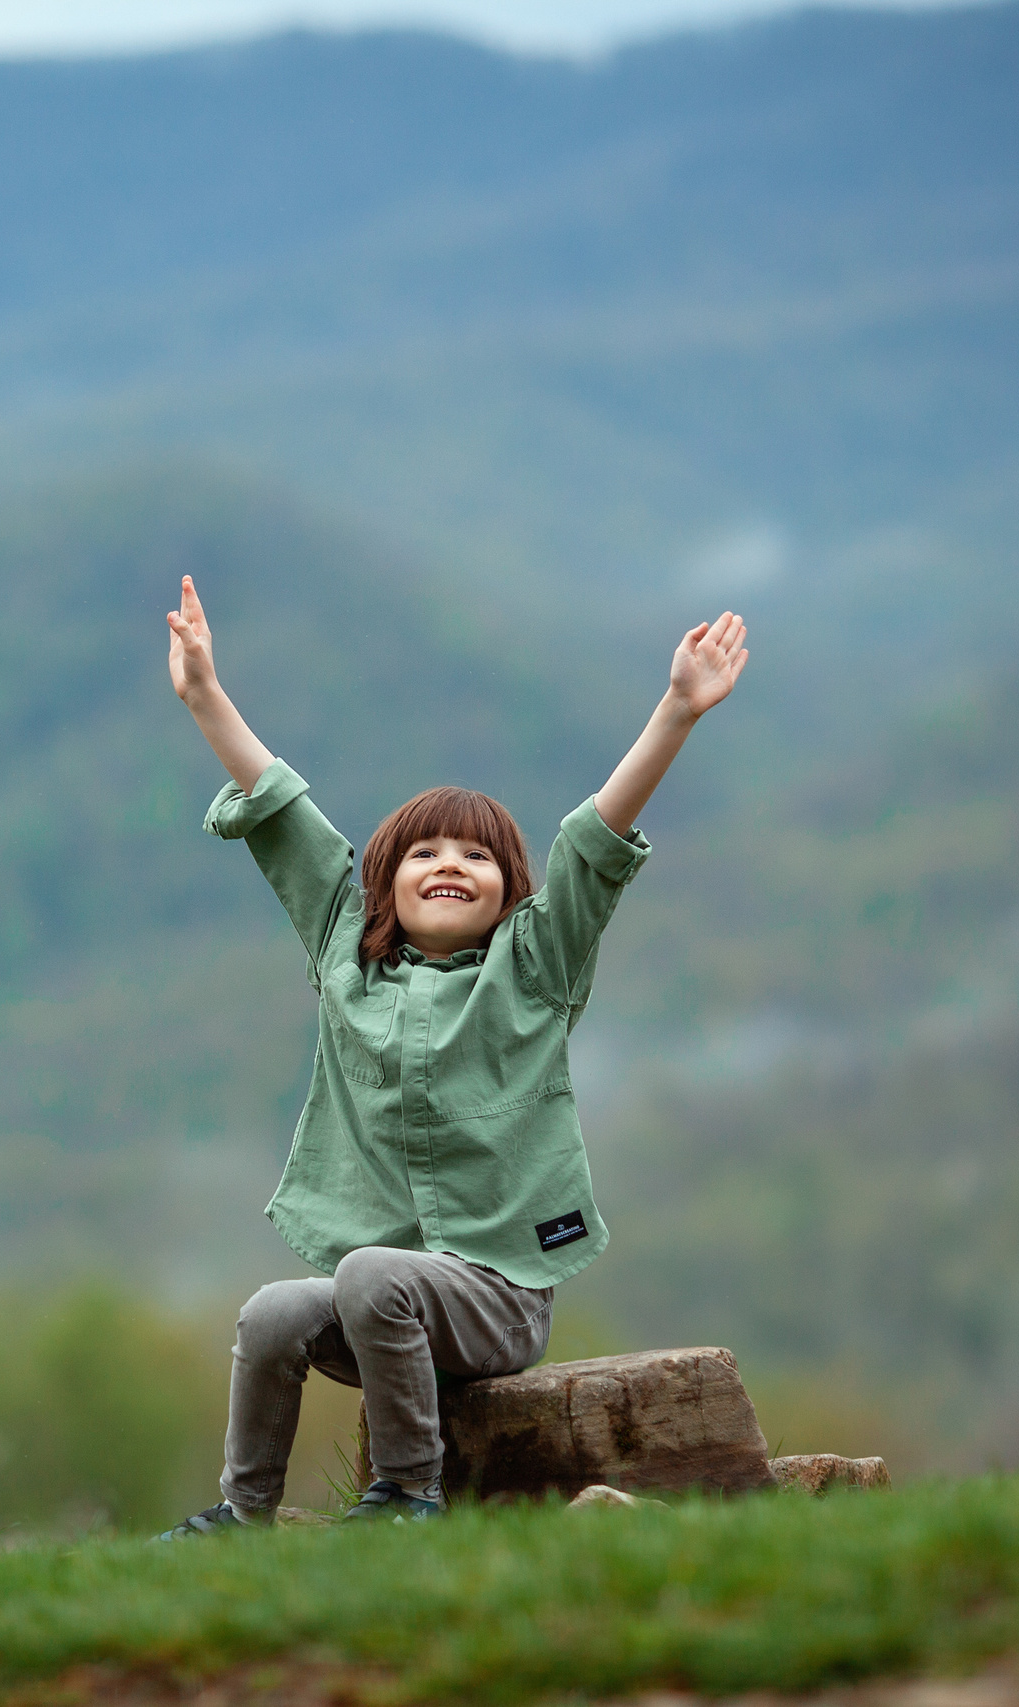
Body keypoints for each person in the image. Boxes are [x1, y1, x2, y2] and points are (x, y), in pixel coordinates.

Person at [154, 574, 749, 1534]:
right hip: (387, 1301)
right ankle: (242, 1511)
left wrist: (678, 709)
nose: (447, 864)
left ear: (509, 890)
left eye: (474, 856)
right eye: (422, 851)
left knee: (366, 1273)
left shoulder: (535, 966)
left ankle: (409, 1492)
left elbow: (594, 840)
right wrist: (204, 696)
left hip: (498, 1295)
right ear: (382, 885)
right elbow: (281, 812)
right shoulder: (344, 953)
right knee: (271, 1310)